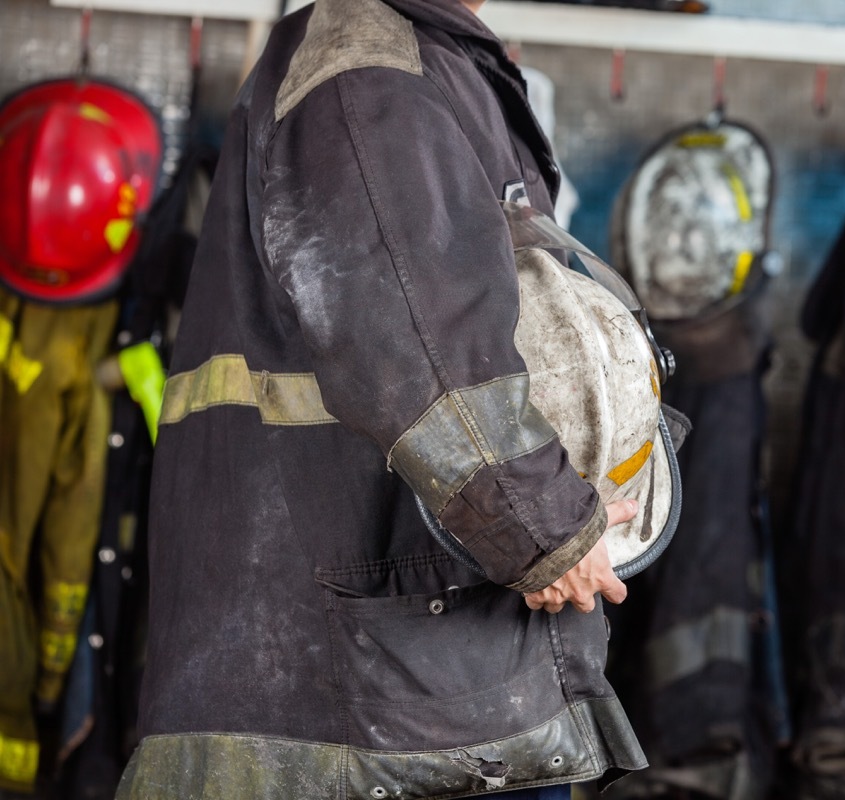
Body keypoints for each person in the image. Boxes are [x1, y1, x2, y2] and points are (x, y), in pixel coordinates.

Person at [114, 0, 650, 797]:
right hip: (383, 713)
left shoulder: (426, 59)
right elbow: (420, 337)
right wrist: (542, 529)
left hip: (421, 683)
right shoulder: (365, 67)